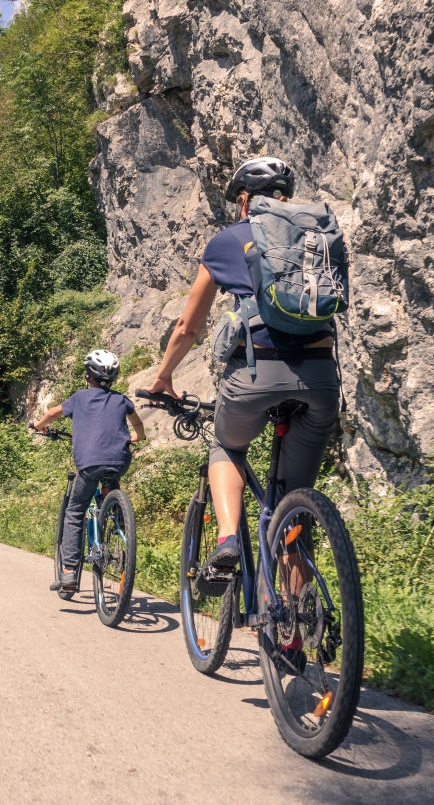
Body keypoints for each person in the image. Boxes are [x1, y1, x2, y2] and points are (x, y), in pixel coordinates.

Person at [144, 157, 340, 594]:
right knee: (294, 501)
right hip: (322, 376)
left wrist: (163, 377)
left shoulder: (227, 241)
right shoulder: (316, 237)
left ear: (245, 201)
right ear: (285, 197)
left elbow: (187, 329)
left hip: (255, 375)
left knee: (226, 446)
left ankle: (228, 540)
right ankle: (294, 631)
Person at [32, 349, 147, 591]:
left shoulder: (79, 398)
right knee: (110, 481)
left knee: (75, 511)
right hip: (119, 460)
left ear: (88, 378)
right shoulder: (122, 400)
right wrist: (137, 437)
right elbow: (138, 425)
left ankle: (70, 572)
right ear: (112, 380)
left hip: (89, 463)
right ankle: (118, 517)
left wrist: (39, 426)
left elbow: (52, 414)